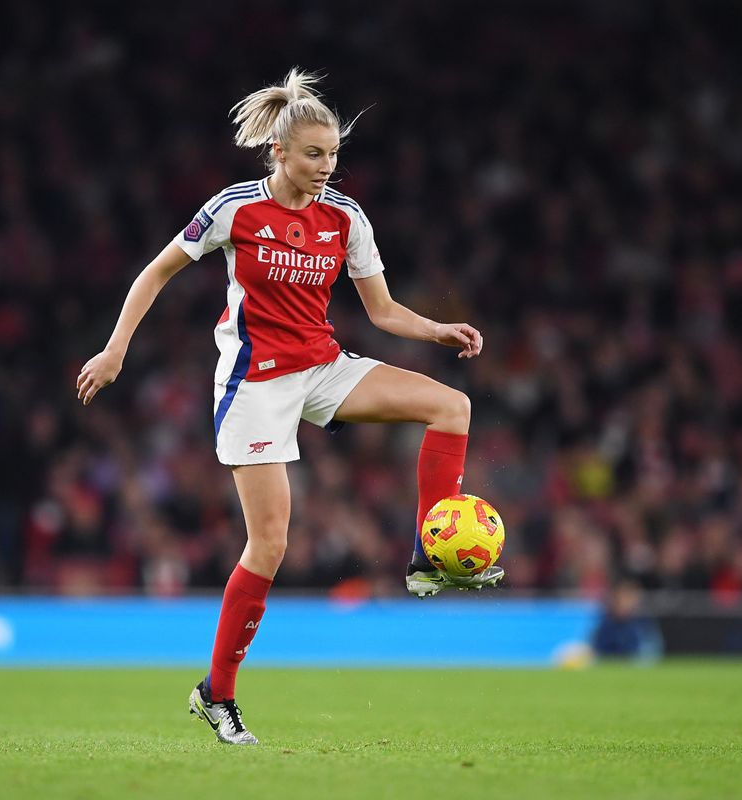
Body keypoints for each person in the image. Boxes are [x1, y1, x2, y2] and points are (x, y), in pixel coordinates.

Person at [75, 69, 501, 745]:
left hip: (322, 368)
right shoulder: (236, 209)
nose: (326, 167)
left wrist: (437, 330)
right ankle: (216, 693)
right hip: (255, 386)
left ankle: (429, 551)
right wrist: (115, 350)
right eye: (313, 154)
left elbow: (382, 310)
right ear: (279, 153)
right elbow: (156, 270)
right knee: (270, 543)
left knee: (452, 405)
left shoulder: (346, 218)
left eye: (333, 154)